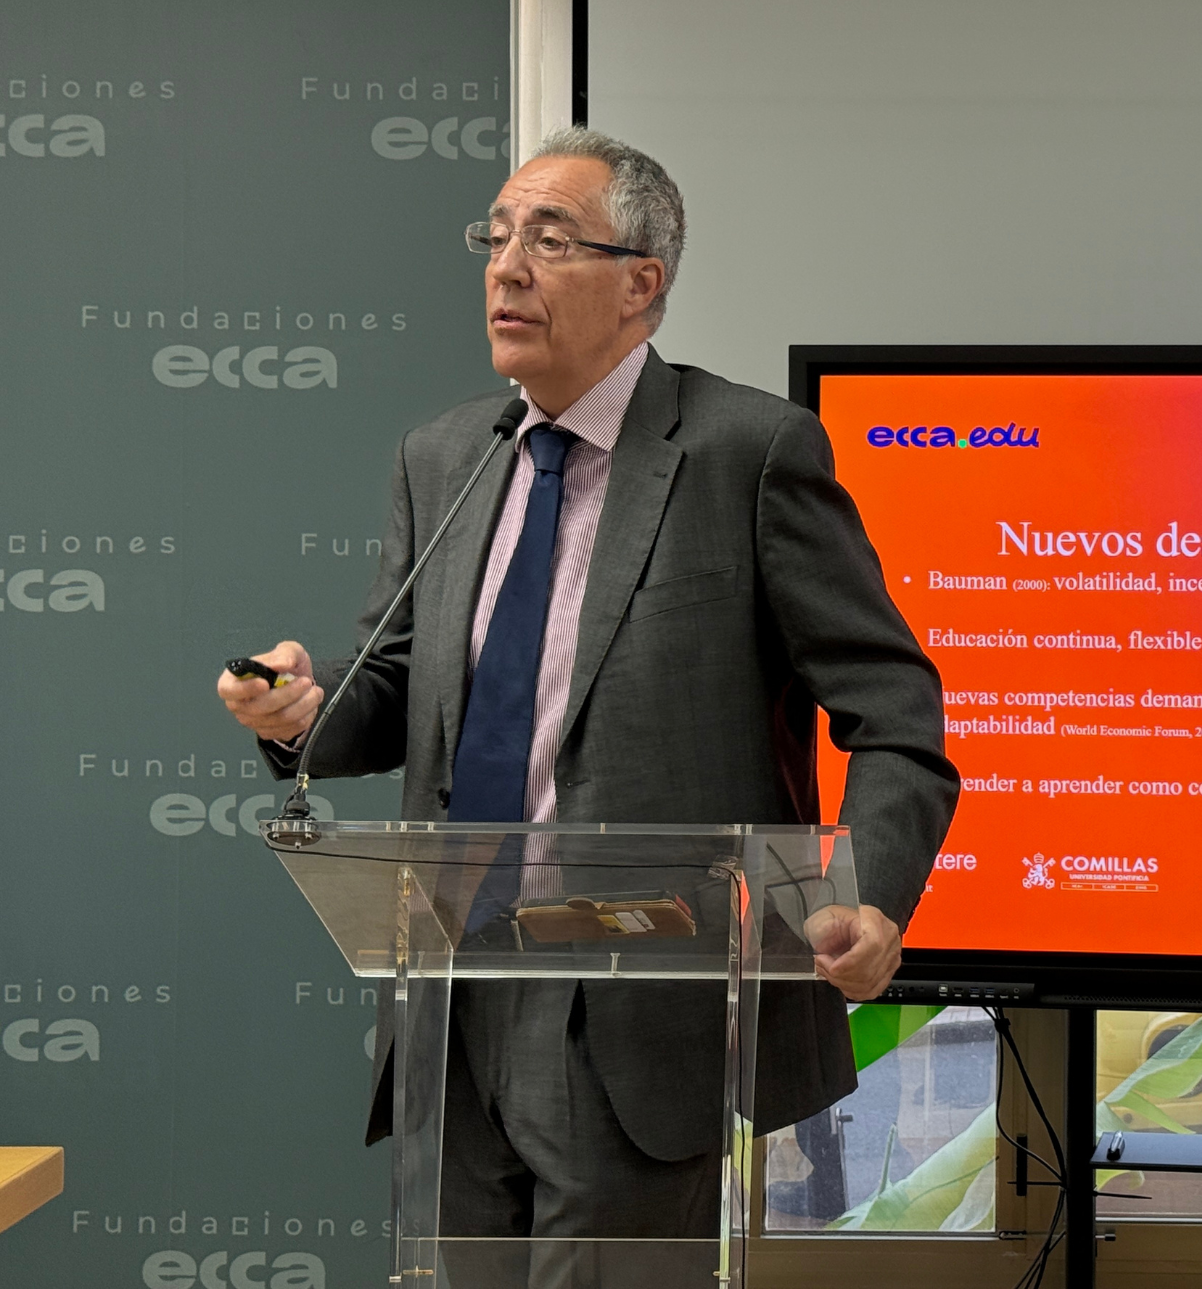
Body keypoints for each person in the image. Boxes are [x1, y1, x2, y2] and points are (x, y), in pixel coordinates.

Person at [216, 126, 957, 1269]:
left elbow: (893, 709)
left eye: (550, 240)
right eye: (497, 237)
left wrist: (875, 898)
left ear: (640, 283)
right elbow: (399, 688)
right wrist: (305, 713)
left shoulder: (747, 451)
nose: (507, 267)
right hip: (453, 983)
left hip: (639, 995)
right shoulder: (444, 455)